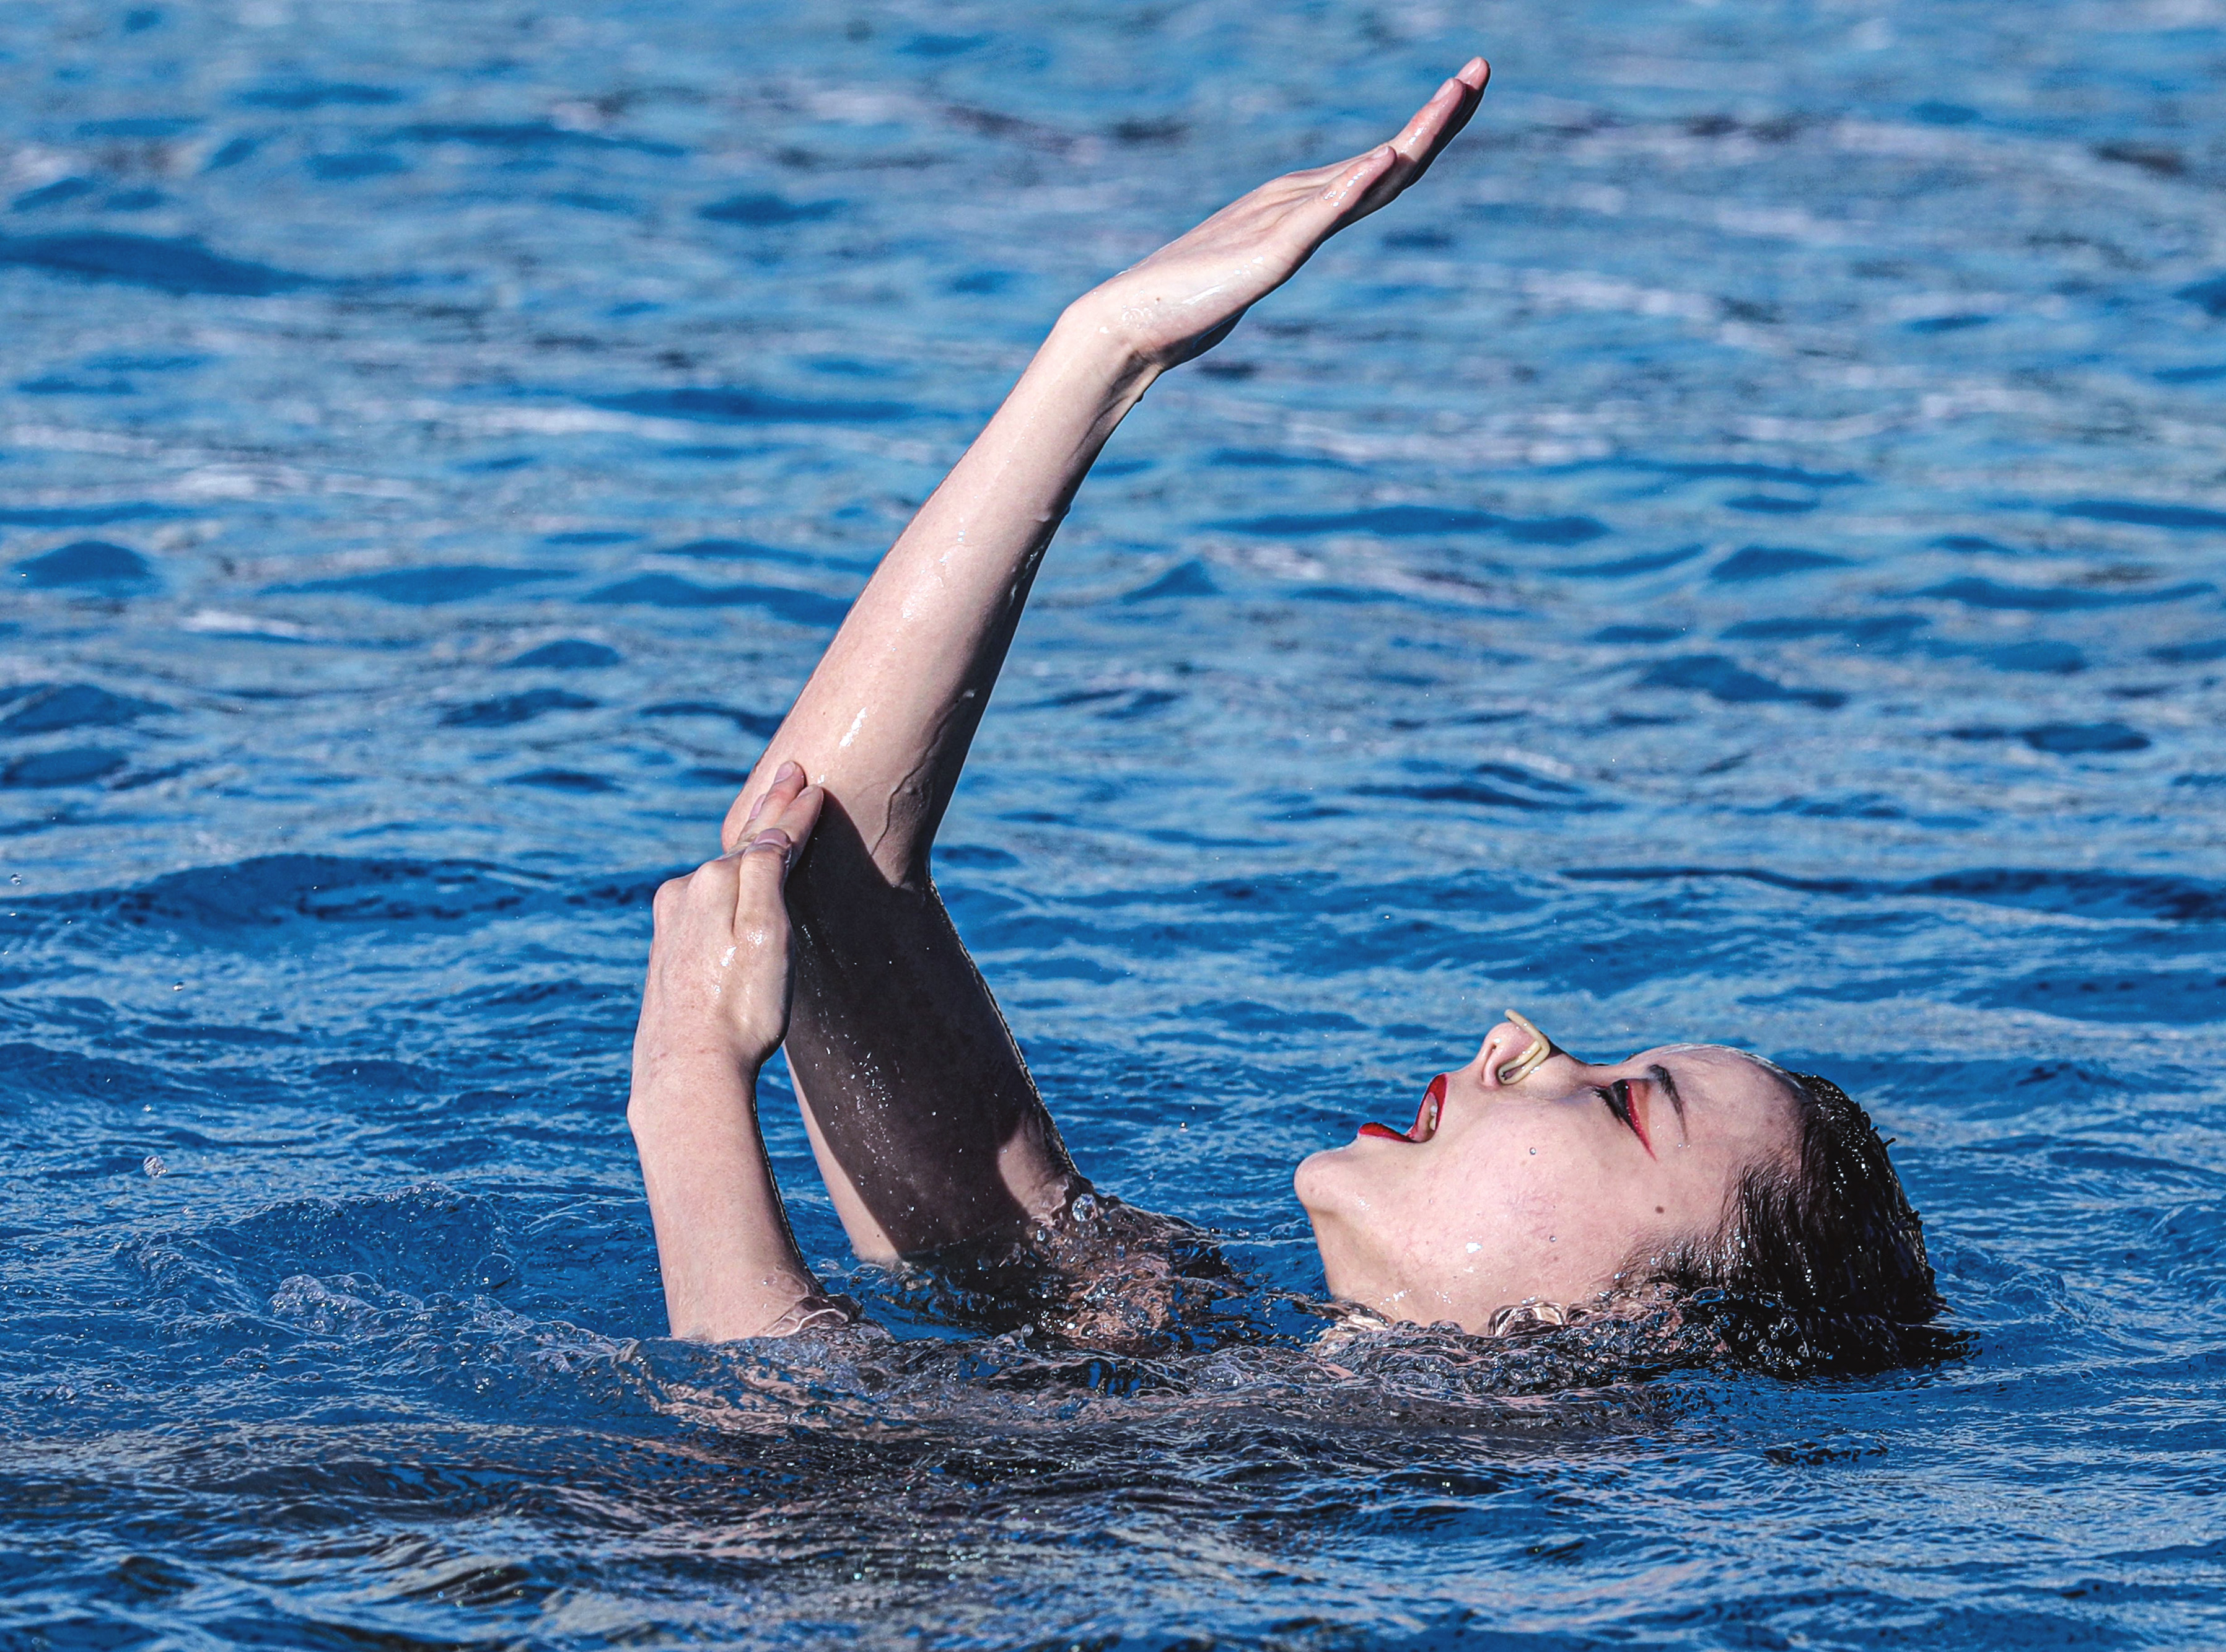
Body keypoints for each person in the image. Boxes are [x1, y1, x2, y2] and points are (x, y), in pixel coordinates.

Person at [626, 60, 1944, 1370]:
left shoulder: (1382, 1493)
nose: (1516, 1036)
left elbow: (784, 1500)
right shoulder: (1197, 1344)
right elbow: (818, 876)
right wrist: (1102, 351)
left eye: (1619, 1105)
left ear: (1641, 1319)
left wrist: (686, 1094)